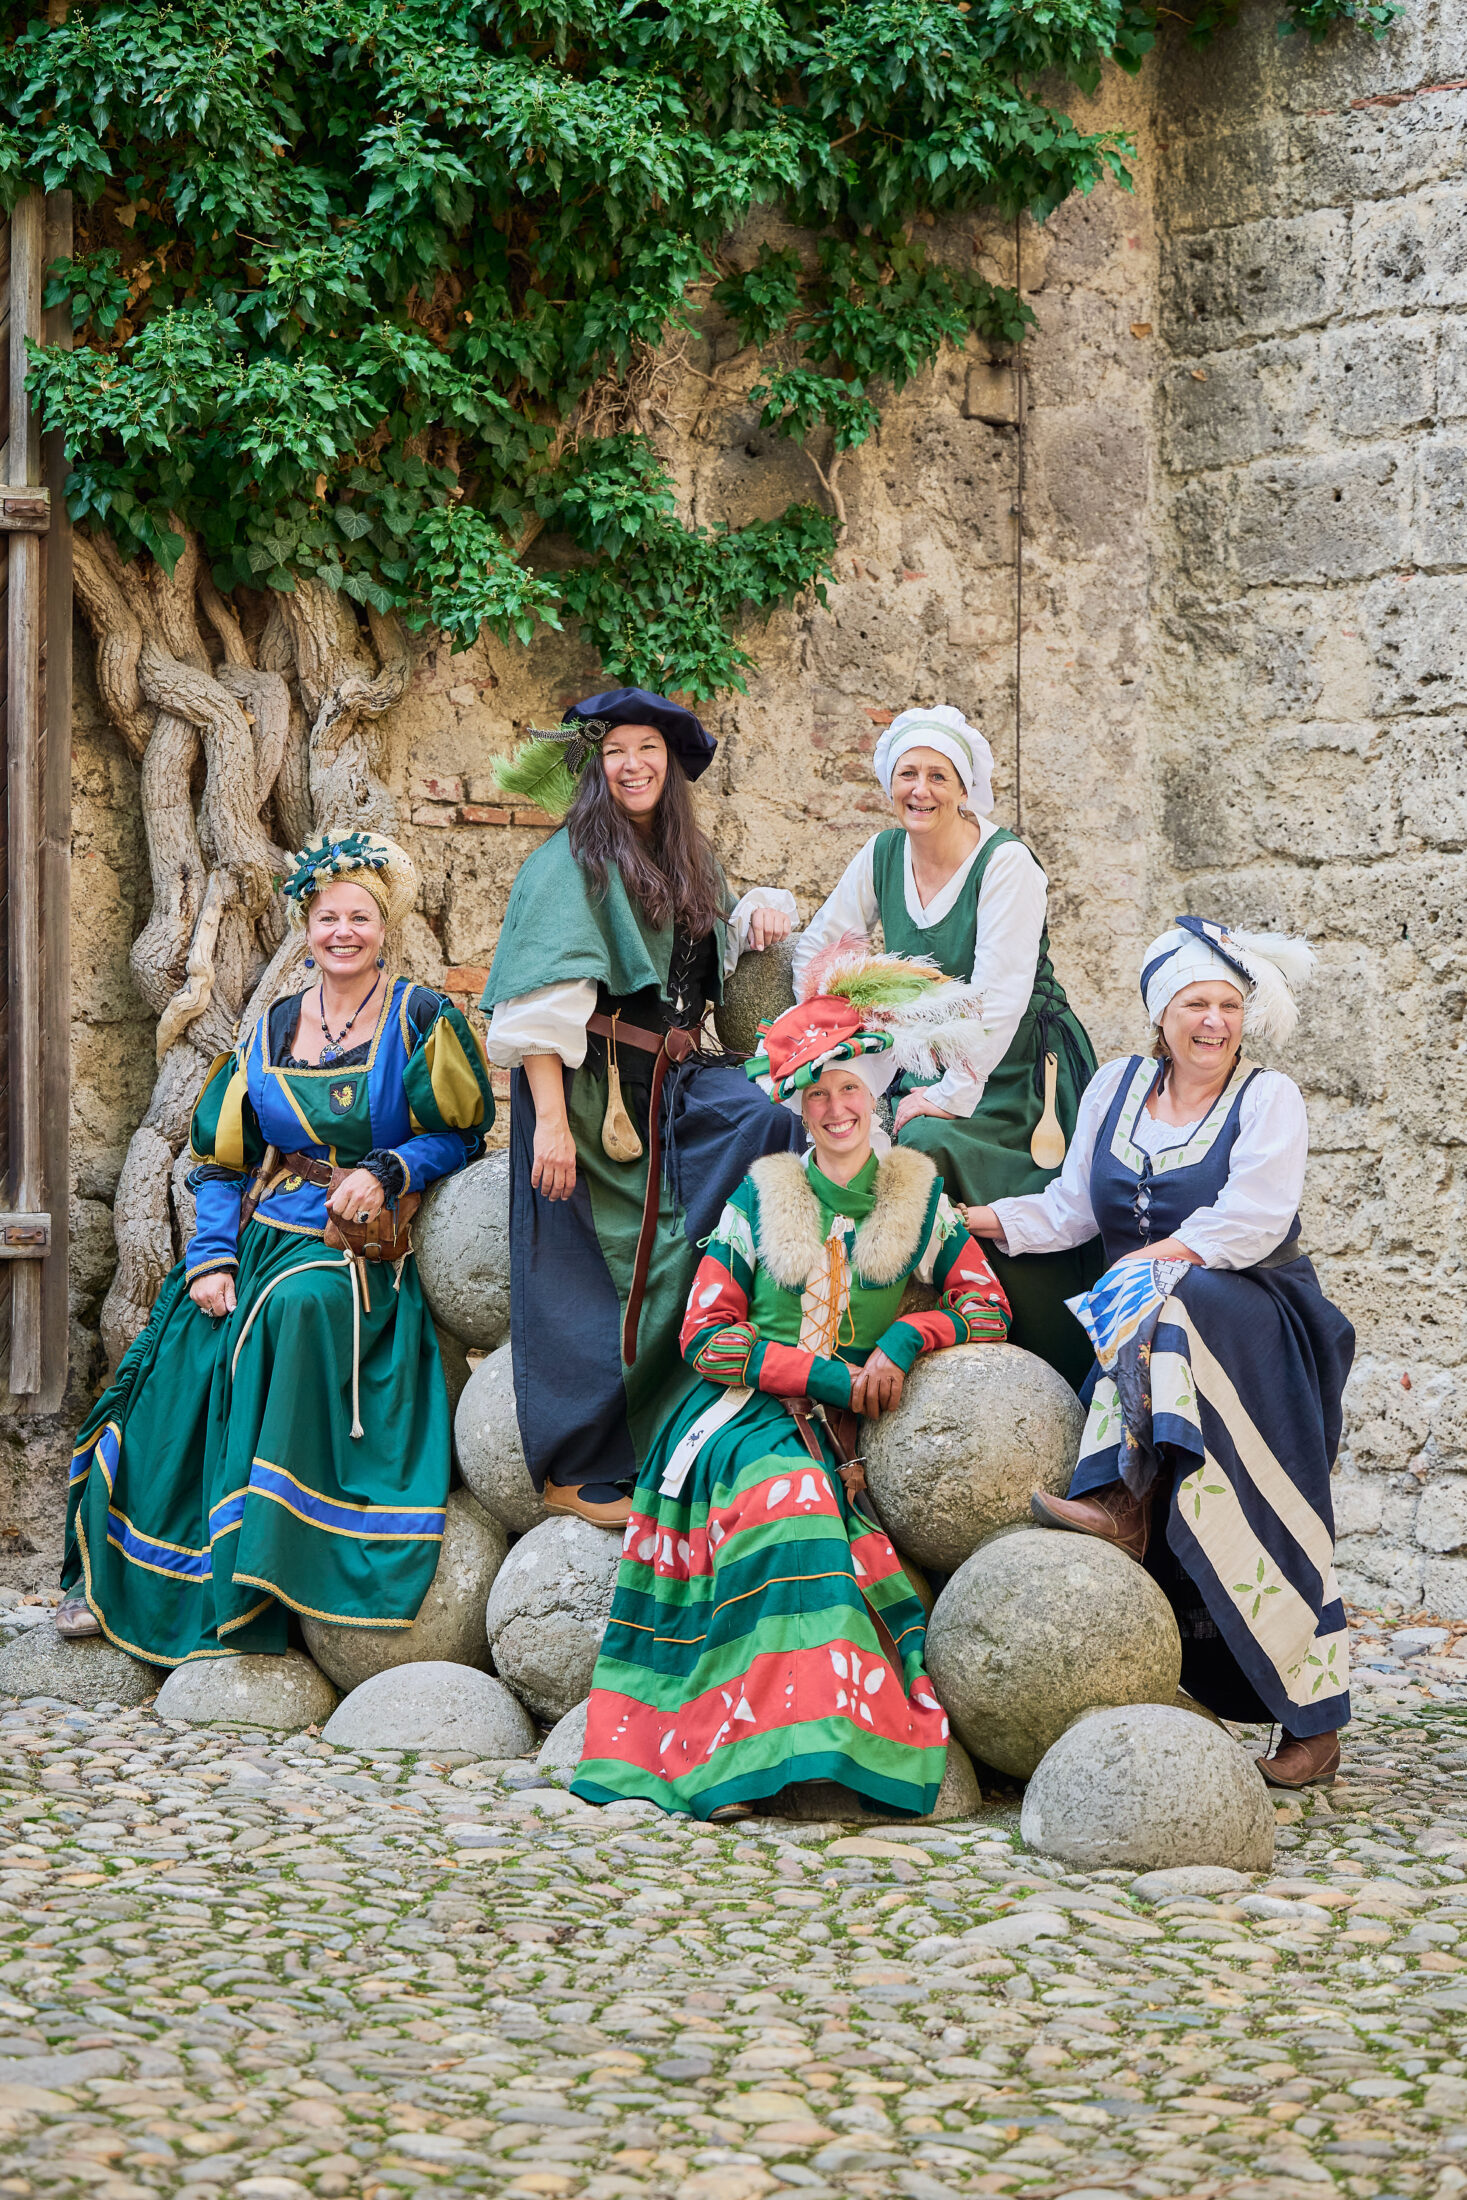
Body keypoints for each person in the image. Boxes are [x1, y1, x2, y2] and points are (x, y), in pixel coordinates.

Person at [572, 945, 1013, 1821]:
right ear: (800, 1108)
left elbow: (986, 1307)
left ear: (874, 1094)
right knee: (790, 1505)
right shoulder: (762, 1197)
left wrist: (907, 1335)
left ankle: (814, 1744)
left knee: (814, 1515)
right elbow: (706, 1336)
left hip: (838, 1428)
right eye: (817, 1095)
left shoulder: (916, 1202)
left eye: (849, 1089)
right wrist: (826, 1378)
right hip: (741, 1418)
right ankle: (735, 1758)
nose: (836, 1108)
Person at [59, 831, 494, 1664]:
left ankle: (257, 1576)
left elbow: (461, 1133)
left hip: (354, 1254)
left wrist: (389, 1169)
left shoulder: (421, 1017)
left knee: (288, 1313)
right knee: (182, 1350)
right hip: (263, 1237)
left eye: (359, 918)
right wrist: (211, 1258)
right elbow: (221, 1163)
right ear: (305, 928)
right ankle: (144, 1579)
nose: (342, 932)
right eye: (327, 917)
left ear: (384, 927)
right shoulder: (268, 1030)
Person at [964, 915, 1355, 1790]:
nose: (1212, 1022)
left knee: (1177, 1317)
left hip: (1254, 1319)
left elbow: (1254, 1220)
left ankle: (1122, 1498)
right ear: (1159, 1013)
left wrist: (1151, 1262)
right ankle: (1138, 1517)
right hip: (1149, 1340)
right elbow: (1069, 1210)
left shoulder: (1267, 1098)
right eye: (1193, 1004)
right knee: (1163, 1322)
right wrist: (967, 1220)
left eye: (1227, 1006)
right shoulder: (1115, 1086)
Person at [482, 688, 804, 1529]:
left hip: (674, 1080)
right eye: (616, 750)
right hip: (588, 1094)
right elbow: (537, 1006)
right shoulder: (568, 863)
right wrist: (551, 1127)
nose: (632, 765)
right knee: (591, 1277)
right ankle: (579, 1463)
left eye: (648, 750)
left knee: (768, 1125)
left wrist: (761, 910)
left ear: (670, 766)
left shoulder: (689, 856)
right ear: (596, 766)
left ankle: (714, 1400)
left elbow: (719, 952)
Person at [793, 704, 1098, 1389]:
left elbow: (998, 996)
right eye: (908, 773)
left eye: (938, 775)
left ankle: (1029, 1353)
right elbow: (819, 948)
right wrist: (827, 1040)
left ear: (964, 788)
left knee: (928, 1147)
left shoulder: (1006, 863)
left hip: (1019, 1068)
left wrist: (951, 1094)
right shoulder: (881, 854)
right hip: (924, 1057)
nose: (920, 789)